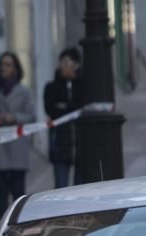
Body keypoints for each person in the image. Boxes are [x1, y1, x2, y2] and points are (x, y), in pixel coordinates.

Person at [0, 51, 35, 219]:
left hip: (18, 148)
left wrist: (15, 117)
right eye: (2, 64)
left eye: (8, 65)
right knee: (0, 194)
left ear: (16, 69)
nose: (4, 68)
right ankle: (2, 229)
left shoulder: (24, 91)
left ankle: (18, 226)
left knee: (18, 195)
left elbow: (31, 116)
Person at [43, 47, 83, 188]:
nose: (62, 66)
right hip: (60, 145)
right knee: (61, 188)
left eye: (66, 62)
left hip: (81, 146)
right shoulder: (51, 87)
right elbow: (51, 110)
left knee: (81, 190)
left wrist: (65, 106)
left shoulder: (83, 85)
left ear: (76, 65)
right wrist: (70, 107)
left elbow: (82, 107)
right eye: (61, 62)